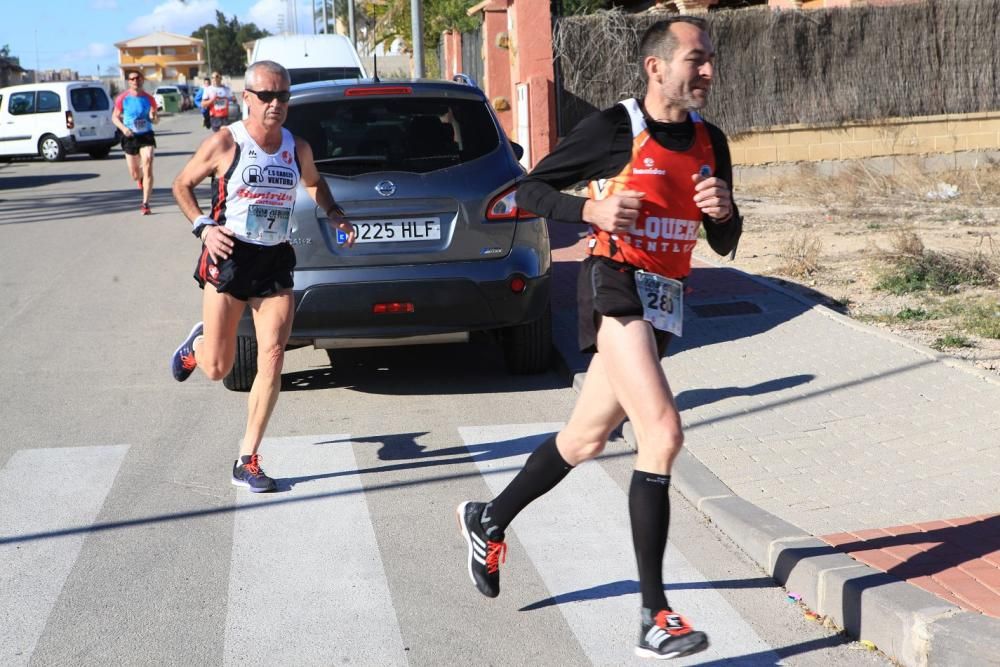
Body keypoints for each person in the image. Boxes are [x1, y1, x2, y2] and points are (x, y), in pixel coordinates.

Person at [457, 16, 742, 661]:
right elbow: (522, 191)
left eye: (709, 59)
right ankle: (653, 613)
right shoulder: (617, 129)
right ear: (656, 67)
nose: (707, 71)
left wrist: (724, 213)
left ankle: (489, 518)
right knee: (662, 432)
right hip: (613, 283)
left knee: (584, 439)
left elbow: (724, 240)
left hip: (665, 299)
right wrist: (589, 211)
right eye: (696, 59)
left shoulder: (710, 140)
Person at [170, 60, 356, 492]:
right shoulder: (224, 142)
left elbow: (314, 183)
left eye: (283, 96)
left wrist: (334, 213)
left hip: (274, 258)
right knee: (218, 367)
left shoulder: (297, 147)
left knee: (272, 354)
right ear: (247, 98)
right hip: (230, 255)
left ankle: (247, 459)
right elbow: (181, 185)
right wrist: (204, 226)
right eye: (267, 96)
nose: (276, 104)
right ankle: (198, 343)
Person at [112, 70, 159, 215]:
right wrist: (123, 129)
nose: (135, 81)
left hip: (146, 135)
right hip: (130, 136)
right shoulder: (123, 98)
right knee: (134, 174)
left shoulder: (149, 98)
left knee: (148, 161)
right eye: (131, 79)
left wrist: (153, 116)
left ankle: (145, 204)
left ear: (142, 80)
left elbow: (155, 119)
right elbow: (115, 117)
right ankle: (140, 179)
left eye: (137, 78)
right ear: (129, 81)